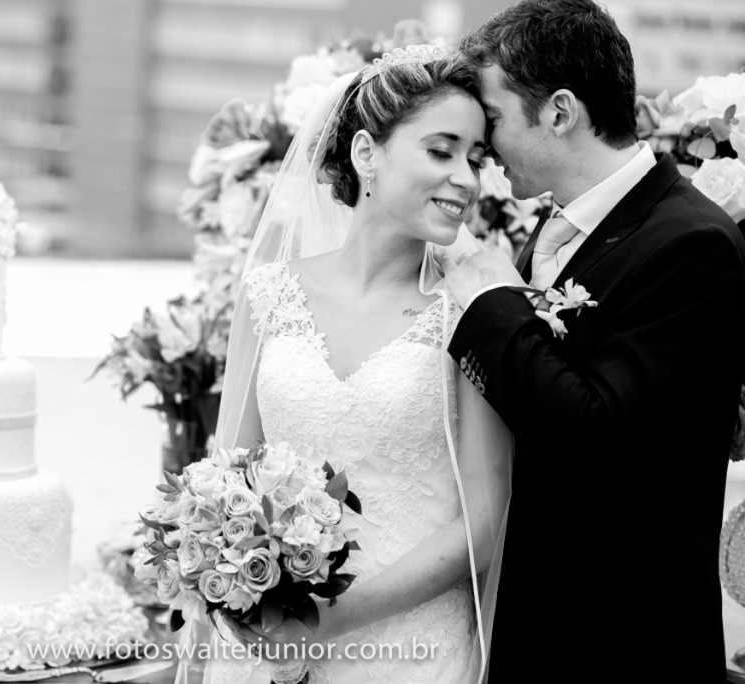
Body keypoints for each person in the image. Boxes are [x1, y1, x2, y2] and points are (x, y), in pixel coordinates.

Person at [441, 1, 745, 682]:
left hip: (626, 643)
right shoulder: (547, 229)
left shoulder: (691, 243)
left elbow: (596, 430)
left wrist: (492, 306)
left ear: (559, 111)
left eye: (491, 118)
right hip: (531, 630)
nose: (482, 145)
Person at [201, 44, 512, 684]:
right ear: (366, 153)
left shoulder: (475, 309)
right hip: (269, 648)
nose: (467, 178)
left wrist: (324, 621)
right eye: (441, 150)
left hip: (414, 652)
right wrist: (239, 596)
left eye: (476, 159)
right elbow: (224, 482)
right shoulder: (266, 293)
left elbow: (486, 520)